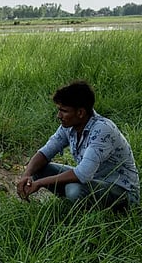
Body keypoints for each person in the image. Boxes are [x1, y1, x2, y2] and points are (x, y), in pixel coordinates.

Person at [17, 80, 140, 210]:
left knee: (74, 189)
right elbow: (45, 152)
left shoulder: (103, 129)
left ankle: (88, 211)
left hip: (122, 192)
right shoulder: (69, 126)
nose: (59, 115)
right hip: (94, 182)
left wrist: (40, 183)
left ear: (80, 113)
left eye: (64, 111)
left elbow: (83, 174)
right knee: (40, 168)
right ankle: (78, 205)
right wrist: (27, 175)